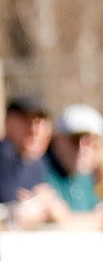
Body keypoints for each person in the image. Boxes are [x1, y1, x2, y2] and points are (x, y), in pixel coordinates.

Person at [44, 104, 103, 261]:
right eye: (75, 140)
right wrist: (102, 219)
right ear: (58, 140)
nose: (83, 148)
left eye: (91, 142)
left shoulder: (91, 178)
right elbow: (57, 222)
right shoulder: (42, 173)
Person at [0, 96, 63, 227]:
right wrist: (13, 215)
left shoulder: (40, 164)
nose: (34, 130)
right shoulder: (4, 157)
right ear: (8, 122)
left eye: (39, 122)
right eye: (26, 121)